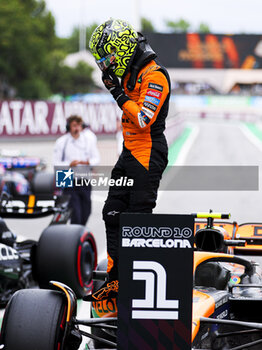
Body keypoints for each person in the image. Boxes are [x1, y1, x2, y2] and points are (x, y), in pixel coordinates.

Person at [86, 19, 170, 301]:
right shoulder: (133, 75)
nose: (106, 67)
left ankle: (139, 287)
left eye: (108, 59)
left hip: (148, 153)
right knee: (111, 212)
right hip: (129, 152)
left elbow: (144, 118)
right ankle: (115, 281)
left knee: (137, 222)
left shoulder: (155, 76)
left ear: (121, 51)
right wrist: (119, 90)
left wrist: (117, 93)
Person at [53, 115, 100, 225]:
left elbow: (96, 158)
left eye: (79, 125)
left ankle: (79, 233)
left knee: (86, 211)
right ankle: (75, 236)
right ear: (69, 127)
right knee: (75, 212)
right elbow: (55, 163)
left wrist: (88, 163)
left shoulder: (88, 141)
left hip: (84, 178)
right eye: (74, 125)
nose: (77, 128)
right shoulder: (61, 142)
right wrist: (69, 164)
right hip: (67, 177)